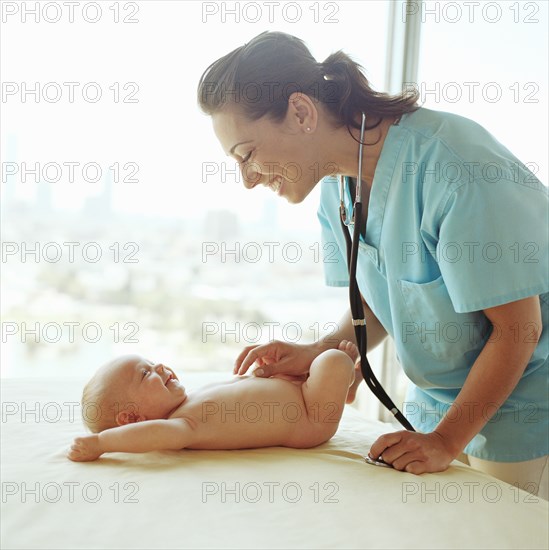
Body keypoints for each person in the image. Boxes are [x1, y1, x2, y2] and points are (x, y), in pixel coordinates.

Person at [196, 31, 548, 499]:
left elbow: (519, 329)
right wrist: (321, 349)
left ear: (301, 112)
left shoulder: (454, 167)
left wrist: (446, 441)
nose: (246, 179)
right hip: (435, 405)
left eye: (247, 154)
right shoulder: (336, 183)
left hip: (524, 408)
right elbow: (390, 293)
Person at [67, 341, 357, 462]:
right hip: (310, 418)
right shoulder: (182, 427)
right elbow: (149, 436)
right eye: (145, 374)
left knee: (316, 364)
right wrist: (102, 443)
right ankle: (343, 380)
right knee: (333, 359)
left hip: (299, 393)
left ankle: (343, 385)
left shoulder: (190, 402)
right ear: (131, 419)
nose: (160, 367)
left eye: (152, 362)